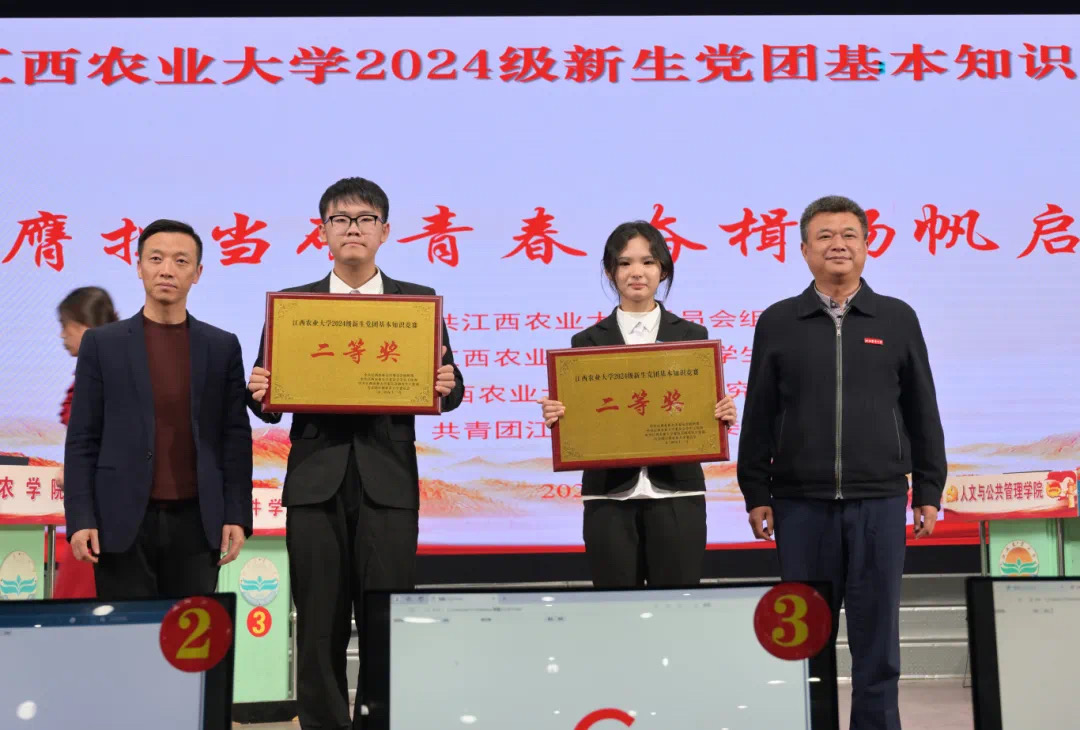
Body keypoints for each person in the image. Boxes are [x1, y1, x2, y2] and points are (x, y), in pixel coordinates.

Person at [246, 177, 465, 730]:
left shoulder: (416, 303)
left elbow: (450, 385)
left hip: (387, 482)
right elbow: (268, 399)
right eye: (340, 220)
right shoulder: (294, 306)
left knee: (384, 620)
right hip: (315, 483)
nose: (353, 229)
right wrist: (259, 393)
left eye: (365, 219)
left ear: (384, 232)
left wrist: (447, 384)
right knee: (318, 621)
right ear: (322, 232)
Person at [737, 195, 947, 730]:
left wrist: (928, 489)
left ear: (867, 245)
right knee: (807, 639)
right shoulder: (778, 321)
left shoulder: (897, 318)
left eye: (849, 235)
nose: (838, 244)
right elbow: (758, 411)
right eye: (825, 235)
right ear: (804, 249)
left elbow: (922, 409)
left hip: (878, 500)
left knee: (878, 639)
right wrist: (756, 491)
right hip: (799, 505)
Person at [539, 220, 737, 587]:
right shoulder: (586, 342)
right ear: (609, 271)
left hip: (679, 492)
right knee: (616, 608)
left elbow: (699, 406)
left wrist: (719, 413)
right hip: (608, 496)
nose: (637, 272)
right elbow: (582, 415)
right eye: (625, 262)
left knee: (676, 606)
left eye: (648, 262)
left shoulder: (692, 337)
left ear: (663, 270)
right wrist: (561, 417)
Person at [64, 219, 253, 599]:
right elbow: (82, 437)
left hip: (198, 523)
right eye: (156, 259)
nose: (167, 270)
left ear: (197, 273)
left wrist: (237, 514)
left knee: (192, 634)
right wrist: (80, 517)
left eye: (181, 261)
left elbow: (234, 437)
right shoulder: (102, 344)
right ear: (139, 267)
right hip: (120, 521)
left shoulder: (221, 347)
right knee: (128, 633)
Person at [54, 286, 119, 599]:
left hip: (101, 512)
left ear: (82, 327)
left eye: (64, 326)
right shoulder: (108, 368)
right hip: (96, 510)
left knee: (82, 598)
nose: (62, 335)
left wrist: (75, 474)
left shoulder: (104, 375)